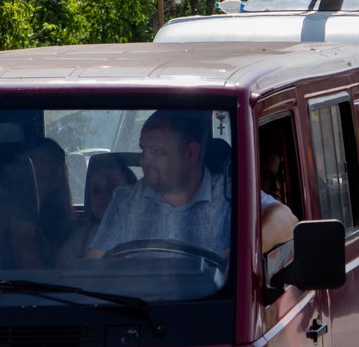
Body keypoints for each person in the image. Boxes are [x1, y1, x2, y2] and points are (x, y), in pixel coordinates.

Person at [87, 110, 230, 260]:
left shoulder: (233, 200)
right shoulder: (125, 201)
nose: (144, 161)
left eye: (157, 152)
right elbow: (94, 264)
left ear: (190, 152)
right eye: (143, 149)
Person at [57, 153, 137, 262]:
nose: (103, 196)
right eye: (96, 191)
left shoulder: (150, 234)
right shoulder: (78, 241)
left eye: (112, 189)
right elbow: (62, 276)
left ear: (133, 196)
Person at [27, 137, 74, 256]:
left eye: (54, 163)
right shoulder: (12, 218)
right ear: (26, 168)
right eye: (41, 162)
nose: (47, 170)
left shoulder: (64, 222)